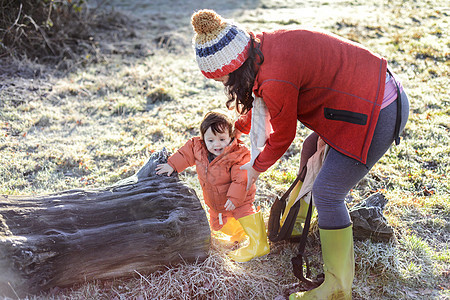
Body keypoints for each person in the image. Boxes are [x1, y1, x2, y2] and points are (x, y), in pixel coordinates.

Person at [191, 9, 409, 299]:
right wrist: (237, 131)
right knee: (310, 151)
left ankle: (337, 287)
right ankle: (295, 226)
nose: (224, 85)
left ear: (233, 67)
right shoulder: (259, 49)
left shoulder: (275, 77)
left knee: (328, 192)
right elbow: (265, 102)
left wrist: (255, 168)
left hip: (377, 111)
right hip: (365, 96)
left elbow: (282, 135)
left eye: (222, 78)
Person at [155, 111, 270, 262]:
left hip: (239, 197)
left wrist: (235, 197)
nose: (217, 144)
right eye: (211, 140)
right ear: (203, 139)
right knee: (219, 226)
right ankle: (239, 233)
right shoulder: (198, 147)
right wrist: (172, 165)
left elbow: (241, 178)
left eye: (222, 139)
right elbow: (185, 154)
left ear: (231, 137)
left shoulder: (237, 155)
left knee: (244, 212)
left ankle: (259, 244)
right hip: (216, 201)